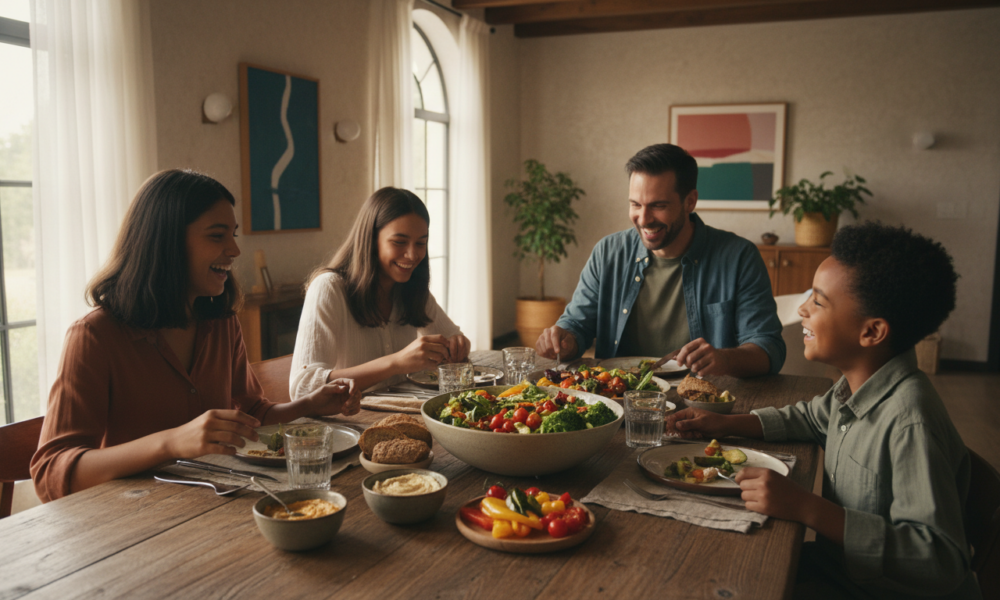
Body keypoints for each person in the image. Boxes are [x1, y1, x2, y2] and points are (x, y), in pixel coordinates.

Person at [666, 222, 978, 599]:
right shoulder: (857, 384)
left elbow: (941, 560)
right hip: (841, 569)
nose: (802, 310)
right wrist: (725, 422)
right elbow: (811, 418)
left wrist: (805, 507)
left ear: (872, 332)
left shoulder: (910, 420)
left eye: (818, 301)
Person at [30, 170, 360, 502]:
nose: (234, 249)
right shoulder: (94, 337)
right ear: (166, 242)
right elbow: (50, 472)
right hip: (131, 520)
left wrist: (308, 404)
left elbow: (252, 415)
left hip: (211, 508)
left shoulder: (221, 323)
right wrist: (172, 442)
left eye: (232, 235)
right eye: (217, 236)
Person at [536, 143, 784, 377]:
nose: (643, 219)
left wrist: (725, 359)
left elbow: (768, 349)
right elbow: (577, 326)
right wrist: (563, 340)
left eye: (658, 206)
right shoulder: (608, 252)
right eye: (635, 204)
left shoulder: (739, 257)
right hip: (618, 395)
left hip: (702, 401)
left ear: (690, 201)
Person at [290, 187, 470, 398]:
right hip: (351, 423)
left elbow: (454, 337)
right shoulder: (329, 288)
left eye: (421, 243)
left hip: (405, 416)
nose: (413, 255)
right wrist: (395, 363)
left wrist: (458, 344)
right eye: (399, 242)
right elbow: (303, 389)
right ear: (371, 240)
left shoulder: (412, 288)